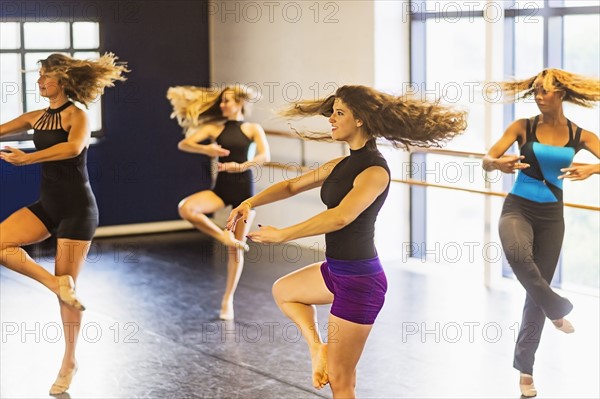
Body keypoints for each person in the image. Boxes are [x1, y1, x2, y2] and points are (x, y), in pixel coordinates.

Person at [226, 85, 467, 398]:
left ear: (360, 120)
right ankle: (317, 348)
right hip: (336, 271)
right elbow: (290, 187)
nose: (332, 119)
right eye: (332, 112)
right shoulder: (340, 165)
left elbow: (342, 216)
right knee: (284, 291)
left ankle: (324, 354)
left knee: (342, 382)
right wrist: (249, 201)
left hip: (360, 282)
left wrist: (284, 233)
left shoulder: (375, 171)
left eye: (340, 113)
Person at [0, 53, 128, 394]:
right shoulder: (36, 117)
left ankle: (69, 361)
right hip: (48, 206)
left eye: (46, 77)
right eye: (39, 76)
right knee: (5, 245)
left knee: (68, 294)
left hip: (78, 210)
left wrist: (29, 158)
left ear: (63, 81)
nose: (40, 82)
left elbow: (73, 148)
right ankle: (54, 283)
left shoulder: (78, 115)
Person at [482, 68, 600, 397]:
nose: (538, 95)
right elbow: (487, 157)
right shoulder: (523, 126)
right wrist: (497, 163)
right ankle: (557, 308)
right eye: (535, 90)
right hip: (517, 207)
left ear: (561, 95)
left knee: (535, 293)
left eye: (545, 91)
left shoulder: (580, 135)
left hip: (552, 217)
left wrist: (593, 168)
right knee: (519, 258)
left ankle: (525, 371)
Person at [167, 84, 270, 320]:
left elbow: (265, 156)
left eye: (228, 101)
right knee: (186, 208)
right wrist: (207, 149)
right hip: (221, 189)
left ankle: (228, 300)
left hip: (244, 193)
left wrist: (241, 166)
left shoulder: (253, 128)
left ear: (240, 103)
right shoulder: (214, 127)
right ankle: (221, 235)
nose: (223, 105)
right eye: (222, 101)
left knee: (235, 250)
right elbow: (184, 144)